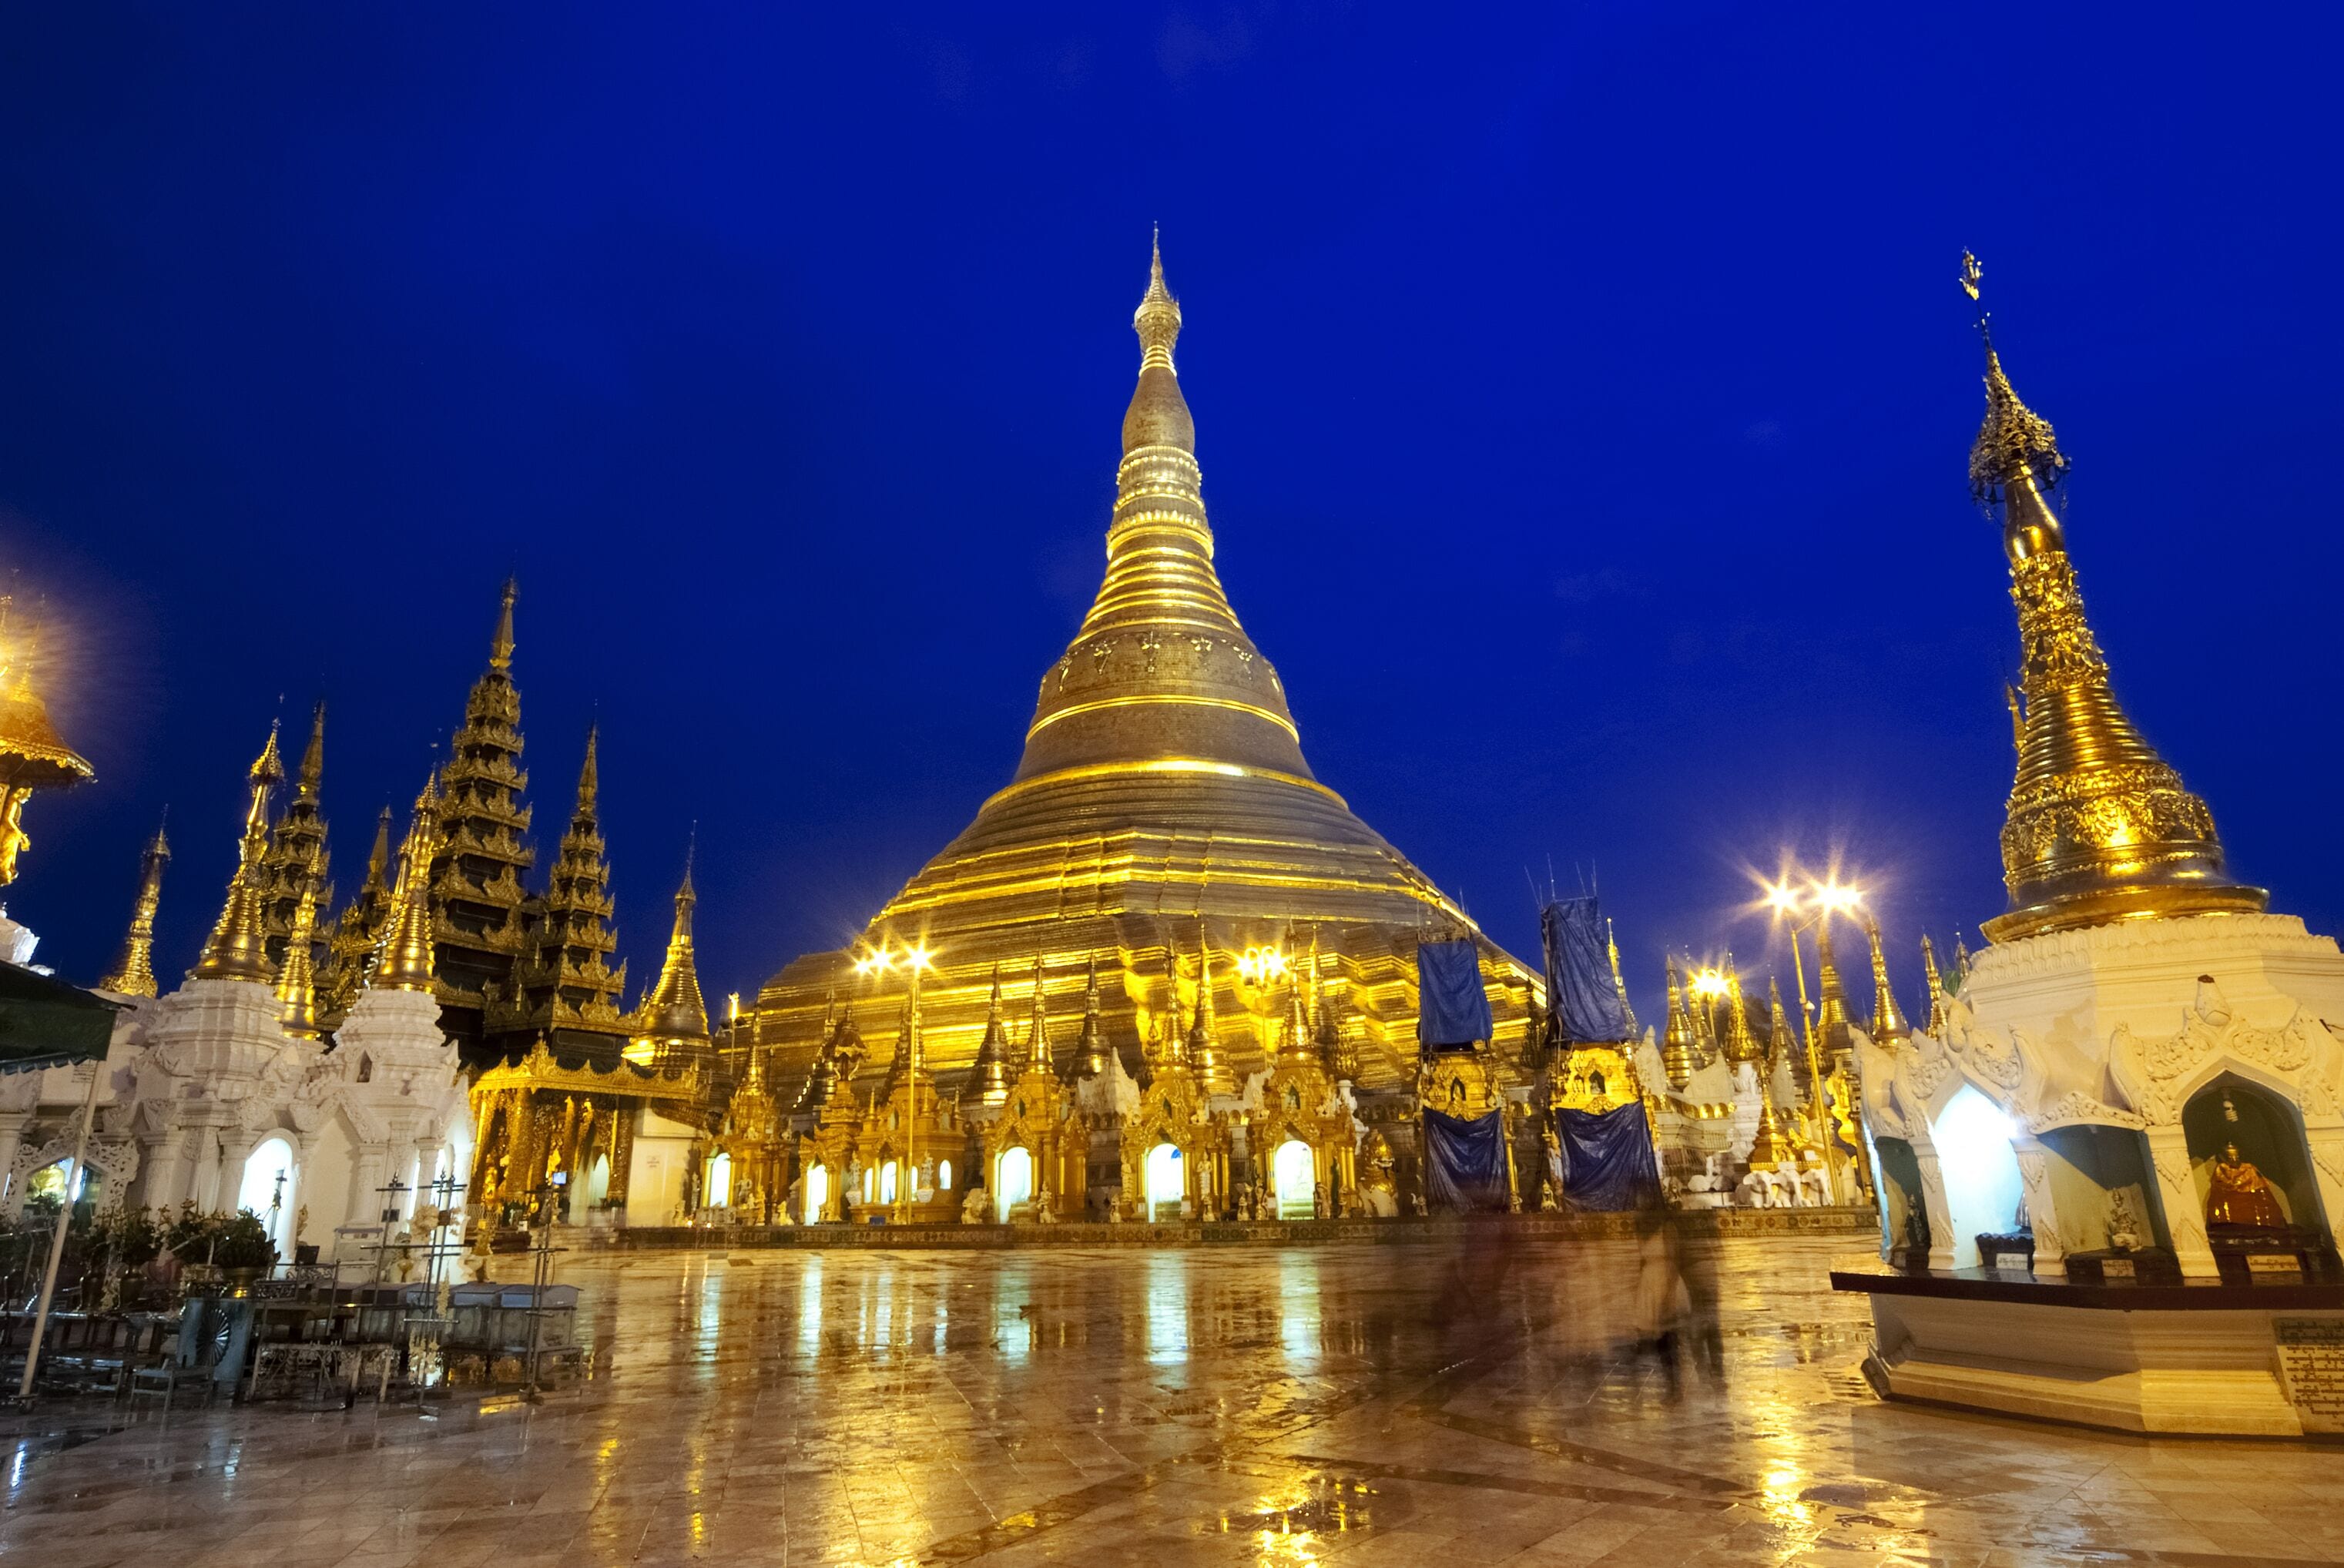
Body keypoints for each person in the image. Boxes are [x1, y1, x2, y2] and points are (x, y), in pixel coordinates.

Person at [1631, 1200, 1685, 1399]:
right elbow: (1642, 1261)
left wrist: (1669, 1293)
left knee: (1668, 1336)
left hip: (1664, 1281)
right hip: (1649, 1284)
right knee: (1654, 1336)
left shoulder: (1667, 1228)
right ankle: (1667, 1382)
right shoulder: (1643, 1230)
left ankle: (1674, 1384)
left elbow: (1674, 1260)